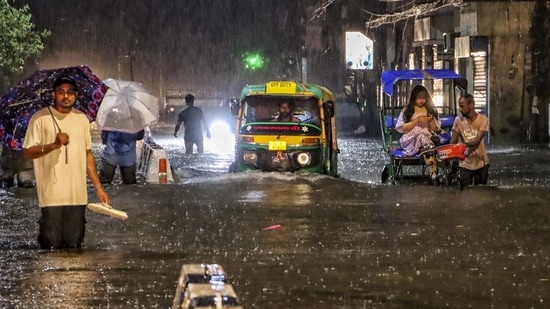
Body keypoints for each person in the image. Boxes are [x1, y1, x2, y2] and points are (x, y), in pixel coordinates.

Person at [22, 75, 110, 250]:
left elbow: (87, 155)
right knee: (51, 245)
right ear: (53, 95)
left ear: (76, 95)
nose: (66, 96)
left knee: (74, 246)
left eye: (70, 92)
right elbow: (28, 152)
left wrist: (99, 188)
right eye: (61, 92)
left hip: (77, 195)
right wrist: (53, 145)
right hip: (51, 195)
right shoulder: (40, 118)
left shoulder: (81, 119)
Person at [450, 93, 489, 187]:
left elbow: (477, 140)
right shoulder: (458, 120)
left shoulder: (483, 119)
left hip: (481, 164)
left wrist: (462, 146)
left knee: (481, 194)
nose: (460, 109)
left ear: (471, 105)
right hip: (464, 164)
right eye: (459, 106)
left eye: (462, 106)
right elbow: (453, 141)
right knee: (465, 195)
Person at [395, 85, 441, 156]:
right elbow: (402, 127)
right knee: (421, 137)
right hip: (411, 138)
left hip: (427, 137)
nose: (422, 100)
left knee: (425, 138)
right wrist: (417, 120)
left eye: (424, 98)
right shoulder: (408, 110)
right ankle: (430, 152)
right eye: (419, 98)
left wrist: (431, 121)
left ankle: (430, 155)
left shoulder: (430, 110)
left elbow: (435, 129)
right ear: (414, 97)